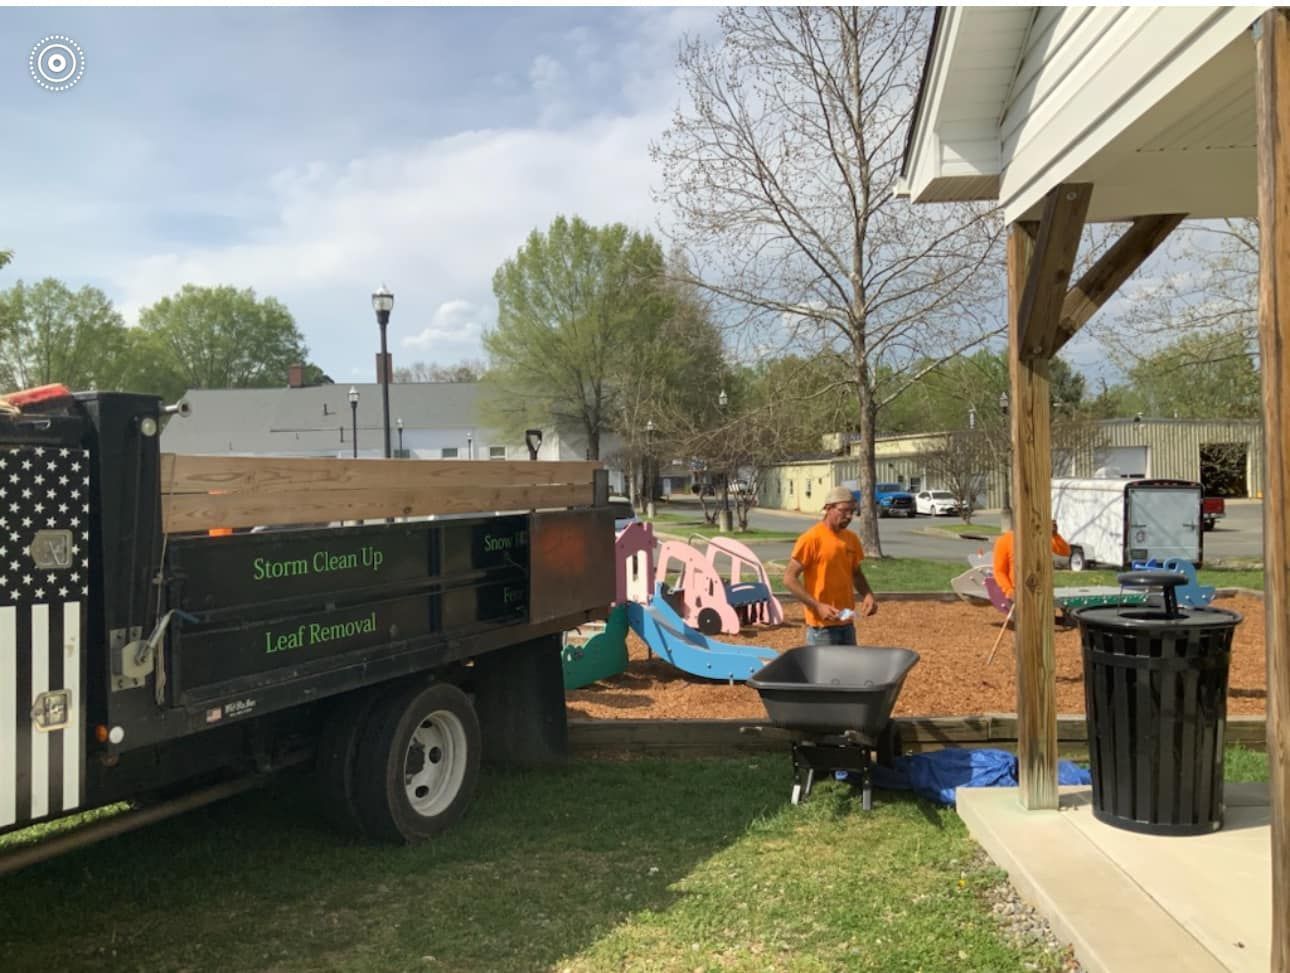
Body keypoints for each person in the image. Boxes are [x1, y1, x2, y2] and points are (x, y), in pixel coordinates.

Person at [783, 485, 877, 646]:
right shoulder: (811, 539)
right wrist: (817, 606)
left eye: (852, 511)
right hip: (822, 628)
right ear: (828, 508)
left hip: (847, 623)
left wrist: (868, 594)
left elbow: (855, 573)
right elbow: (789, 579)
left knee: (848, 671)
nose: (849, 516)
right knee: (823, 672)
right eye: (844, 510)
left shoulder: (851, 539)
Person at [992, 520, 1072, 601]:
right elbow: (999, 571)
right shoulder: (1005, 540)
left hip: (1042, 592)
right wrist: (1009, 591)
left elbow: (1065, 551)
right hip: (1019, 593)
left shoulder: (1041, 537)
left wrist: (1055, 535)